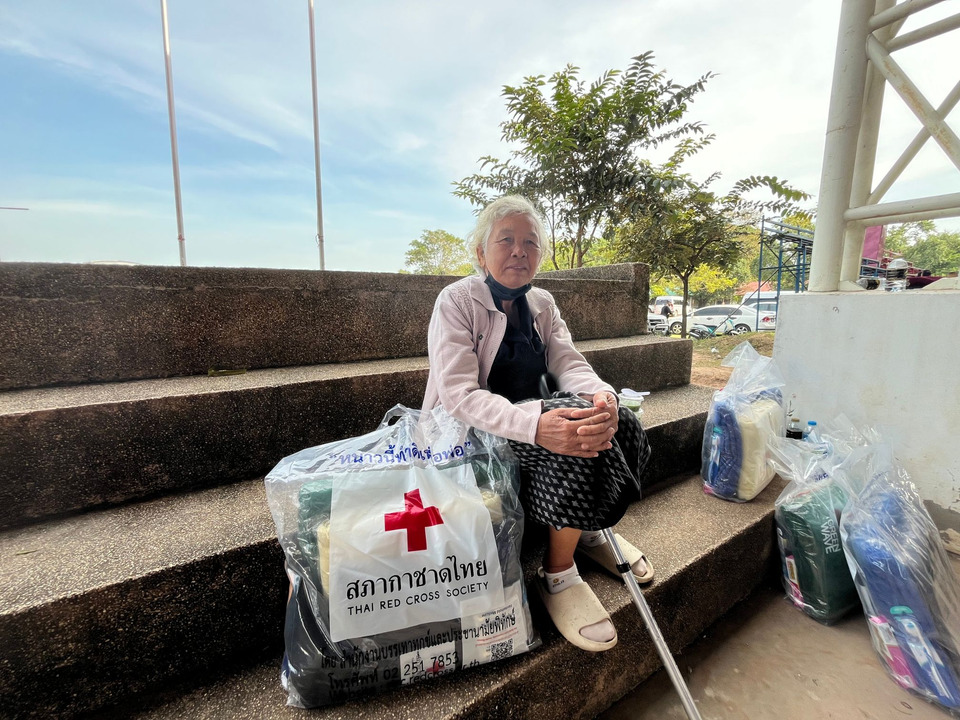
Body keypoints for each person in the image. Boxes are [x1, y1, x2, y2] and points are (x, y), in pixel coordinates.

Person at [422, 195, 653, 652]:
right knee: (569, 435)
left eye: (530, 242)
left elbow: (569, 363)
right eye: (505, 240)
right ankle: (559, 574)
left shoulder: (543, 303)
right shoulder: (456, 301)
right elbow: (459, 396)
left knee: (618, 422)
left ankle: (587, 528)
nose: (519, 251)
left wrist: (601, 396)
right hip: (475, 432)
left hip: (537, 415)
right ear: (481, 251)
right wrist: (537, 424)